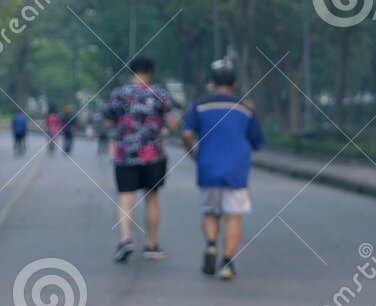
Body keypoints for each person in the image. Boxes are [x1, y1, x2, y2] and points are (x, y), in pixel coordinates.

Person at [181, 65, 265, 281]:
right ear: (234, 84)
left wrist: (193, 153)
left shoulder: (199, 106)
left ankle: (211, 245)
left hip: (207, 166)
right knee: (233, 216)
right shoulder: (246, 108)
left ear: (213, 84)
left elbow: (186, 133)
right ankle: (227, 262)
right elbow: (257, 142)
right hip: (236, 171)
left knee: (210, 212)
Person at [101, 56, 178, 262]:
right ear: (150, 72)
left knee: (126, 199)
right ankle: (151, 245)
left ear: (131, 71)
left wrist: (124, 126)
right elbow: (172, 125)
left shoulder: (118, 95)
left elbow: (107, 123)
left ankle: (125, 239)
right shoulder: (160, 94)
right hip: (153, 156)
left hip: (125, 155)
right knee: (152, 198)